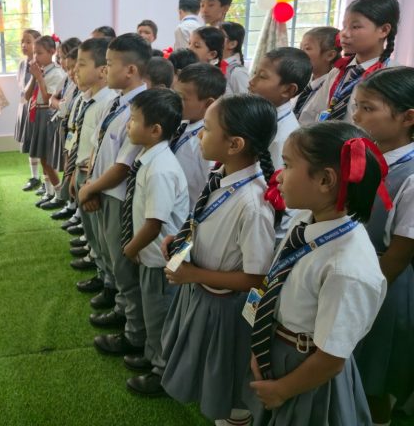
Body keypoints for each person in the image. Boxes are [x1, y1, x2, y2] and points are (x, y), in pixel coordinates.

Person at [245, 122, 388, 426]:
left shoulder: (347, 268)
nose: (278, 175)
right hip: (280, 347)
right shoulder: (305, 220)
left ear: (325, 180)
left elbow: (332, 359)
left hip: (305, 371)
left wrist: (283, 389)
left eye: (287, 165)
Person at [159, 94, 278, 426]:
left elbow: (257, 278)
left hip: (226, 309)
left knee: (226, 385)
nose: (199, 134)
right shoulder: (223, 177)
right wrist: (182, 241)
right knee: (208, 374)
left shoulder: (253, 204)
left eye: (207, 129)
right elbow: (207, 224)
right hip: (202, 292)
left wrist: (194, 273)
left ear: (235, 144)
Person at [77, 34, 151, 352]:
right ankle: (123, 313)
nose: (105, 70)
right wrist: (91, 183)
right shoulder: (117, 102)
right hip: (104, 190)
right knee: (111, 258)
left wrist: (90, 187)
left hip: (120, 196)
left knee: (124, 267)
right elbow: (99, 146)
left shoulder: (143, 110)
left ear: (131, 69)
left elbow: (123, 166)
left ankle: (135, 334)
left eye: (110, 64)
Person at [352, 67, 414, 426]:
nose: (357, 116)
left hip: (383, 286)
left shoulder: (408, 176)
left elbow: (400, 254)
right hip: (357, 273)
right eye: (357, 106)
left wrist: (362, 293)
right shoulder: (365, 156)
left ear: (408, 118)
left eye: (368, 108)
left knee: (375, 375)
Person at [120, 88, 189, 396]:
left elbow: (155, 222)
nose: (128, 126)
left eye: (133, 120)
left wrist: (130, 248)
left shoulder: (160, 168)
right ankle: (152, 358)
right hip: (152, 255)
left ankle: (163, 372)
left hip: (161, 259)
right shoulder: (151, 158)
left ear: (155, 130)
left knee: (160, 315)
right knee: (152, 312)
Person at [69, 38, 118, 301]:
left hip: (95, 178)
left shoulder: (107, 103)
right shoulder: (87, 98)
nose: (75, 69)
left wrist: (91, 184)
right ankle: (101, 273)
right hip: (82, 172)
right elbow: (79, 139)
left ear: (102, 70)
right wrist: (73, 176)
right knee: (92, 232)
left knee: (102, 235)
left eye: (82, 64)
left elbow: (103, 152)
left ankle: (110, 283)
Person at [300, 0, 399, 123]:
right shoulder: (337, 72)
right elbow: (311, 115)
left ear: (384, 30)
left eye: (355, 27)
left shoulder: (394, 78)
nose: (344, 34)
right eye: (344, 26)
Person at [171, 63, 227, 207]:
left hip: (187, 215)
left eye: (182, 98)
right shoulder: (182, 123)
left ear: (208, 104)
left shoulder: (208, 139)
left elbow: (209, 184)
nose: (175, 101)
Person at [248, 47, 312, 170]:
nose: (251, 81)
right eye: (255, 73)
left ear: (288, 90)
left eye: (262, 76)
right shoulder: (262, 117)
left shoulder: (283, 138)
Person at [24, 35, 67, 206]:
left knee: (48, 159)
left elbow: (50, 97)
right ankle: (50, 192)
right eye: (34, 54)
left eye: (39, 53)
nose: (36, 58)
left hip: (48, 116)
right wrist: (35, 77)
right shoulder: (41, 71)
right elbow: (27, 96)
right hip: (38, 114)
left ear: (52, 52)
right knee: (42, 157)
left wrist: (40, 79)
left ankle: (59, 195)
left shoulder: (56, 73)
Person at [44, 39, 82, 211]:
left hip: (73, 127)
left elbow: (66, 105)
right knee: (68, 162)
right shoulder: (66, 78)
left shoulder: (77, 80)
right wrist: (59, 104)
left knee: (76, 167)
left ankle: (75, 207)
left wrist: (59, 104)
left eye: (65, 56)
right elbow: (53, 98)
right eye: (60, 57)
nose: (62, 61)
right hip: (67, 127)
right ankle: (70, 203)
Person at [293, 27, 340, 124]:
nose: (300, 53)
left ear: (330, 55)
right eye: (300, 47)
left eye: (307, 48)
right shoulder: (303, 80)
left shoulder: (333, 88)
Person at [17, 29, 42, 191]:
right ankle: (35, 177)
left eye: (28, 41)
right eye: (22, 42)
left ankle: (47, 183)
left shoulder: (41, 64)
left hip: (38, 108)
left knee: (40, 144)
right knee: (30, 143)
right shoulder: (22, 64)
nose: (24, 45)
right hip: (26, 106)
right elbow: (22, 88)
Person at [219, 22, 250, 95]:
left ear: (232, 44)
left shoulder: (238, 72)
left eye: (220, 36)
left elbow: (245, 103)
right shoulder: (218, 65)